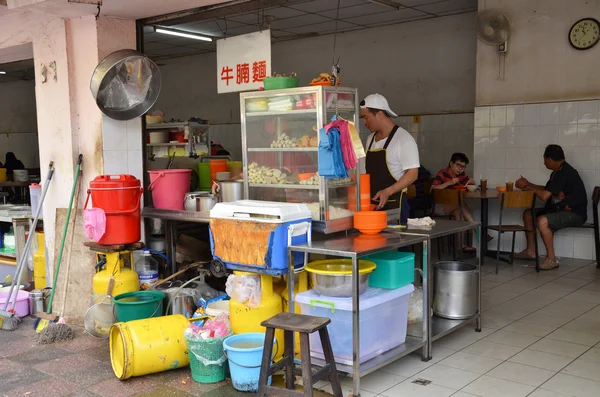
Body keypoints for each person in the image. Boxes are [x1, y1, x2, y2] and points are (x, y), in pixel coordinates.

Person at [515, 144, 587, 270]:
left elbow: (544, 196)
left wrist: (525, 188)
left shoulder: (562, 172)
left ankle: (551, 259)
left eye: (544, 160)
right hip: (560, 209)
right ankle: (530, 251)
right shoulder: (559, 171)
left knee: (542, 221)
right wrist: (528, 184)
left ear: (549, 159)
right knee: (528, 214)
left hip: (575, 213)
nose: (544, 163)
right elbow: (547, 189)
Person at [360, 94, 419, 224]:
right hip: (372, 207)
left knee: (396, 244)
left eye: (366, 117)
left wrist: (388, 191)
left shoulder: (404, 139)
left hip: (395, 207)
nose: (364, 122)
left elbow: (413, 174)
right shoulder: (370, 139)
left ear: (380, 114)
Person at [431, 153, 477, 252]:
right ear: (451, 163)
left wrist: (471, 182)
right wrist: (449, 183)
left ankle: (460, 246)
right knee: (459, 204)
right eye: (458, 165)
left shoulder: (462, 176)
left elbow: (467, 186)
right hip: (439, 206)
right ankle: (478, 231)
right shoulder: (442, 173)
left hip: (455, 207)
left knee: (459, 214)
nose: (460, 169)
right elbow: (433, 189)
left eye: (463, 167)